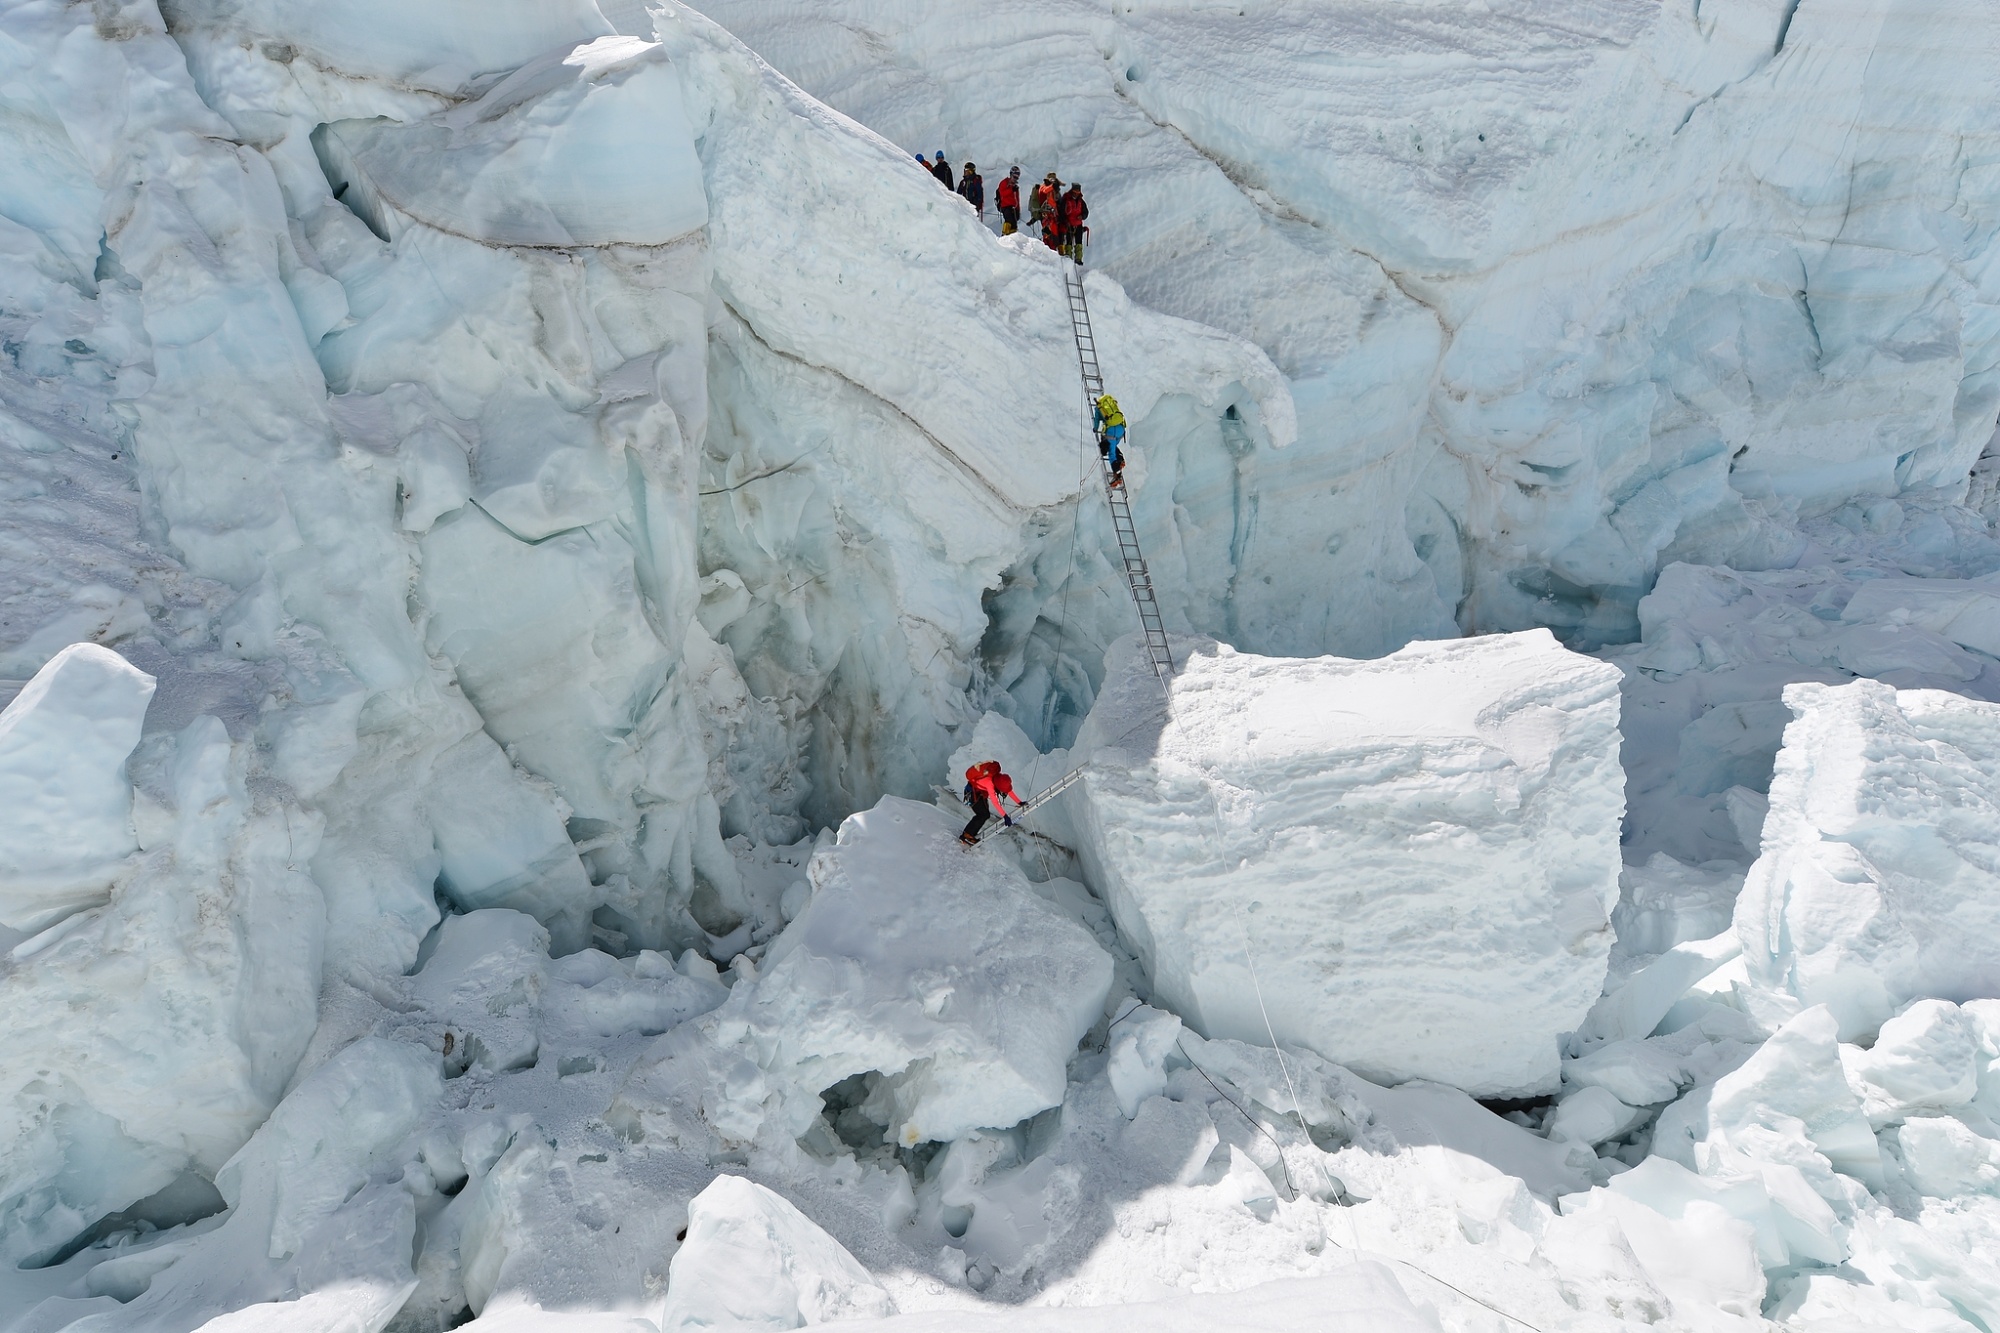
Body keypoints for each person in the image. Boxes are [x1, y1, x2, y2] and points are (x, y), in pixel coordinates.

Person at [959, 760, 1024, 845]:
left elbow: (1008, 790)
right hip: (972, 794)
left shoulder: (998, 778)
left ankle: (969, 834)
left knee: (984, 814)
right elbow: (995, 802)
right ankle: (967, 835)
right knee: (983, 814)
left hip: (980, 794)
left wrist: (1019, 802)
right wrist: (1005, 816)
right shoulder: (989, 783)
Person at [1095, 393, 1126, 487]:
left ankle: (1117, 476)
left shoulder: (1099, 408)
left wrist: (1095, 428)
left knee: (1111, 453)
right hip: (1121, 429)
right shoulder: (1111, 406)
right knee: (1112, 446)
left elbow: (1096, 421)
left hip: (1111, 431)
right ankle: (1120, 460)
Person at [1031, 172, 1062, 250]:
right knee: (1050, 235)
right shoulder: (1045, 188)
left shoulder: (1052, 189)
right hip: (1047, 214)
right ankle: (1051, 251)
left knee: (1050, 235)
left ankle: (1050, 251)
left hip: (1050, 215)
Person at [1060, 183, 1089, 263]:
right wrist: (1065, 221)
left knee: (1078, 241)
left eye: (1078, 192)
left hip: (1078, 224)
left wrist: (1082, 216)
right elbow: (1061, 212)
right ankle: (1069, 256)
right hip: (1069, 224)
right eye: (1075, 191)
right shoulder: (1066, 199)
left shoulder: (1081, 201)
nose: (1076, 193)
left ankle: (1078, 259)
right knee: (1069, 241)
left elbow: (1086, 212)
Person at [995, 166, 1021, 235]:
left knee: (1014, 225)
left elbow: (1017, 199)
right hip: (1005, 206)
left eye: (1017, 177)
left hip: (1013, 208)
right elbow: (1002, 193)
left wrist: (1018, 209)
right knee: (1008, 221)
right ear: (1011, 175)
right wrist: (1011, 190)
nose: (1015, 179)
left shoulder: (1015, 186)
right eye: (1014, 177)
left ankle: (1012, 238)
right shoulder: (1004, 183)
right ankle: (1004, 236)